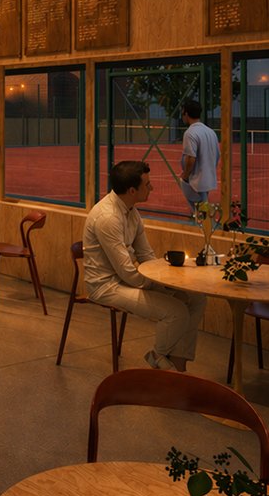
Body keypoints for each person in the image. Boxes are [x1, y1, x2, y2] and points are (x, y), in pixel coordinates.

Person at [83, 160, 205, 371]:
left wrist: (168, 281)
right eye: (147, 185)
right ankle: (158, 357)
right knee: (176, 311)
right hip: (107, 286)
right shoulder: (108, 218)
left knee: (195, 297)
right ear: (132, 190)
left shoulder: (130, 210)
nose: (152, 188)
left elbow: (146, 254)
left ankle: (178, 364)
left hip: (126, 280)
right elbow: (128, 273)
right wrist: (161, 286)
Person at [179, 99, 219, 206]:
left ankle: (202, 222)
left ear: (186, 114)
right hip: (208, 177)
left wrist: (185, 175)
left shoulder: (190, 133)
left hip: (196, 180)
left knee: (200, 211)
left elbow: (191, 157)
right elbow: (217, 155)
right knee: (204, 206)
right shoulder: (211, 132)